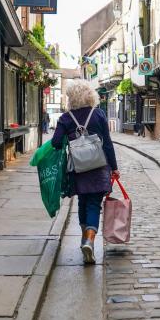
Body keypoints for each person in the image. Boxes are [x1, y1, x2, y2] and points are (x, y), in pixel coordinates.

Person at [51, 80, 119, 264]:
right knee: (94, 204)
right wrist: (114, 167)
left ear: (71, 98)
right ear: (90, 95)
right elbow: (108, 143)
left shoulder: (66, 118)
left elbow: (56, 143)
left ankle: (85, 240)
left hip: (78, 169)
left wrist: (69, 137)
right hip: (99, 166)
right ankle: (89, 240)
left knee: (82, 201)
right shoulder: (98, 114)